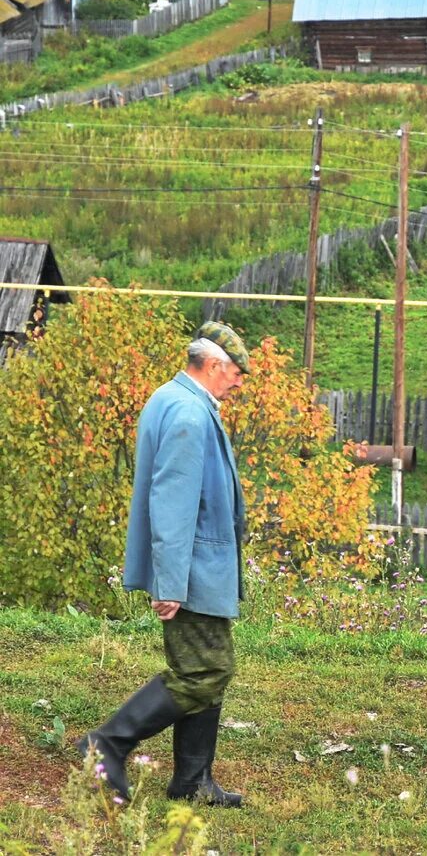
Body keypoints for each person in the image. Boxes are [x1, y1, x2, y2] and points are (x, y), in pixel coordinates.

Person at [77, 322, 250, 808]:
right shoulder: (189, 415)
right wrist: (171, 583)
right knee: (204, 671)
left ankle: (193, 783)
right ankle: (107, 744)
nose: (240, 382)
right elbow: (172, 503)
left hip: (199, 566)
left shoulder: (172, 397)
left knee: (204, 667)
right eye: (237, 372)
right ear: (214, 365)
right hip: (193, 568)